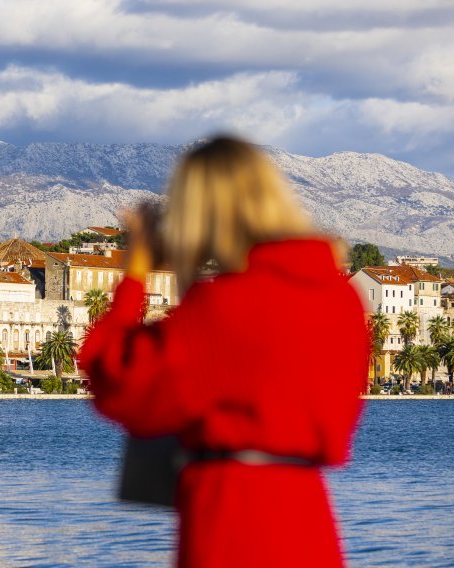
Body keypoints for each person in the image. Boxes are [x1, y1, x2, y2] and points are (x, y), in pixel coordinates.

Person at [80, 137, 368, 568]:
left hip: (231, 519)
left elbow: (113, 376)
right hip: (310, 519)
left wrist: (138, 268)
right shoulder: (341, 300)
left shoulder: (221, 307)